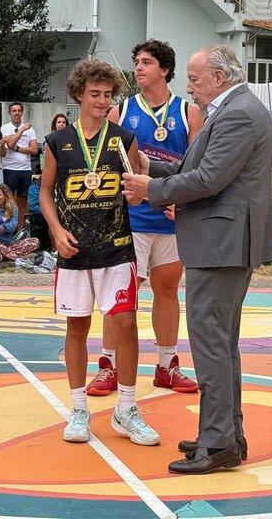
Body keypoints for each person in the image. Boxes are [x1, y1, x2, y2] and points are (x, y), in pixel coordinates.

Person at [123, 44, 272, 475]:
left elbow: (209, 179)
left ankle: (218, 441)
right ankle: (226, 433)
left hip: (221, 242)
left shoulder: (237, 114)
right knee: (221, 344)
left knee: (211, 343)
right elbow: (202, 171)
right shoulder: (234, 110)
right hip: (223, 240)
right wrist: (151, 170)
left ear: (219, 78)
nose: (188, 87)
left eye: (194, 79)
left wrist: (150, 191)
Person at [42, 59, 160, 449]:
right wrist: (56, 230)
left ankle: (126, 408)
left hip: (117, 248)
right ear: (79, 94)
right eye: (95, 94)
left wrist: (141, 189)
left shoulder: (124, 139)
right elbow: (45, 193)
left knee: (125, 324)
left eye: (108, 95)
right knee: (76, 328)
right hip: (74, 251)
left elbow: (136, 191)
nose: (102, 101)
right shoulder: (57, 142)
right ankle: (78, 409)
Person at [91, 39, 203, 399]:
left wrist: (182, 202)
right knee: (123, 294)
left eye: (146, 62)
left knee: (167, 291)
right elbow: (104, 163)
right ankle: (108, 365)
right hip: (131, 219)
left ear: (164, 70)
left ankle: (167, 365)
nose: (138, 67)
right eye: (137, 61)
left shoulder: (188, 112)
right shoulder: (121, 111)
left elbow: (197, 168)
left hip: (170, 218)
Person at [1, 102, 39, 225]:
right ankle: (9, 229)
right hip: (9, 169)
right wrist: (22, 129)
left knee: (23, 201)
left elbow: (34, 150)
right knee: (8, 201)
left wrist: (18, 148)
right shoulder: (5, 128)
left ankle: (22, 230)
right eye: (14, 111)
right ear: (10, 113)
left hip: (25, 169)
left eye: (19, 111)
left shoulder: (30, 129)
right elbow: (10, 144)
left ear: (22, 112)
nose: (17, 113)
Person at [0, 184, 39, 261]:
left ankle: (5, 256)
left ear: (6, 197)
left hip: (10, 243)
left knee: (35, 241)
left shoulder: (14, 208)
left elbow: (13, 227)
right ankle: (20, 258)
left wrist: (3, 228)